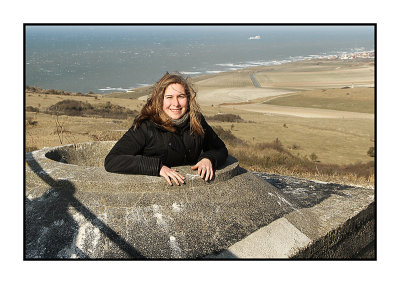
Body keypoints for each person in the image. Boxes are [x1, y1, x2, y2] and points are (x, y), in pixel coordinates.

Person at [104, 72, 228, 186]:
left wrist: (209, 159)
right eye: (169, 97)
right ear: (160, 100)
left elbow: (220, 149)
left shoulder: (197, 121)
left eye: (181, 96)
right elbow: (112, 160)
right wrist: (157, 168)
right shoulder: (146, 126)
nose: (176, 104)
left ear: (188, 99)